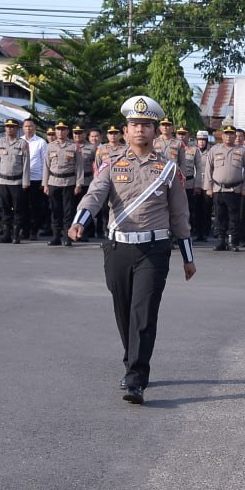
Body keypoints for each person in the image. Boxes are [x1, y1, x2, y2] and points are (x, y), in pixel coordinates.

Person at [69, 95, 197, 405]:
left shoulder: (168, 170)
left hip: (154, 250)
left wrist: (187, 257)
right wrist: (80, 222)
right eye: (134, 125)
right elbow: (94, 196)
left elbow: (180, 215)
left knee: (143, 312)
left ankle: (137, 378)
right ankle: (132, 359)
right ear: (125, 132)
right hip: (118, 248)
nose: (139, 130)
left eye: (146, 125)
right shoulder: (111, 164)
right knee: (124, 310)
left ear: (155, 132)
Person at [203, 125, 245, 251]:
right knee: (220, 216)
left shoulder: (242, 151)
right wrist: (208, 187)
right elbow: (208, 168)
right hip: (218, 189)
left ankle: (232, 241)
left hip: (235, 189)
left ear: (234, 136)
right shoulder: (215, 150)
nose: (229, 136)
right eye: (227, 133)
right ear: (223, 135)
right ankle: (221, 240)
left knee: (234, 217)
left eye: (232, 134)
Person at [43, 122, 85, 247]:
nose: (60, 132)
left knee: (68, 211)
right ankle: (56, 236)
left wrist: (79, 184)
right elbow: (46, 166)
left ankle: (67, 237)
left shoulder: (73, 146)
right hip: (53, 181)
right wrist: (45, 184)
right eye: (58, 130)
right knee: (55, 210)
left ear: (67, 131)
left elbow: (79, 166)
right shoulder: (50, 146)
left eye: (63, 130)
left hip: (69, 182)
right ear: (55, 131)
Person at [0, 119, 30, 244]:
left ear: (17, 129)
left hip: (17, 182)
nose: (9, 129)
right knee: (5, 209)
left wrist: (25, 182)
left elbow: (26, 164)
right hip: (3, 181)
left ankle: (16, 235)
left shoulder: (22, 143)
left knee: (19, 209)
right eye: (7, 127)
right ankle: (7, 234)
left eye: (12, 127)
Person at [21, 118, 47, 239]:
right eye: (26, 126)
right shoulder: (19, 141)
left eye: (30, 126)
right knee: (22, 206)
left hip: (36, 179)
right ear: (22, 128)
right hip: (20, 179)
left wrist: (44, 180)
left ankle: (33, 231)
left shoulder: (41, 142)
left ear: (35, 128)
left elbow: (45, 162)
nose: (28, 128)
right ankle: (24, 230)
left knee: (35, 207)